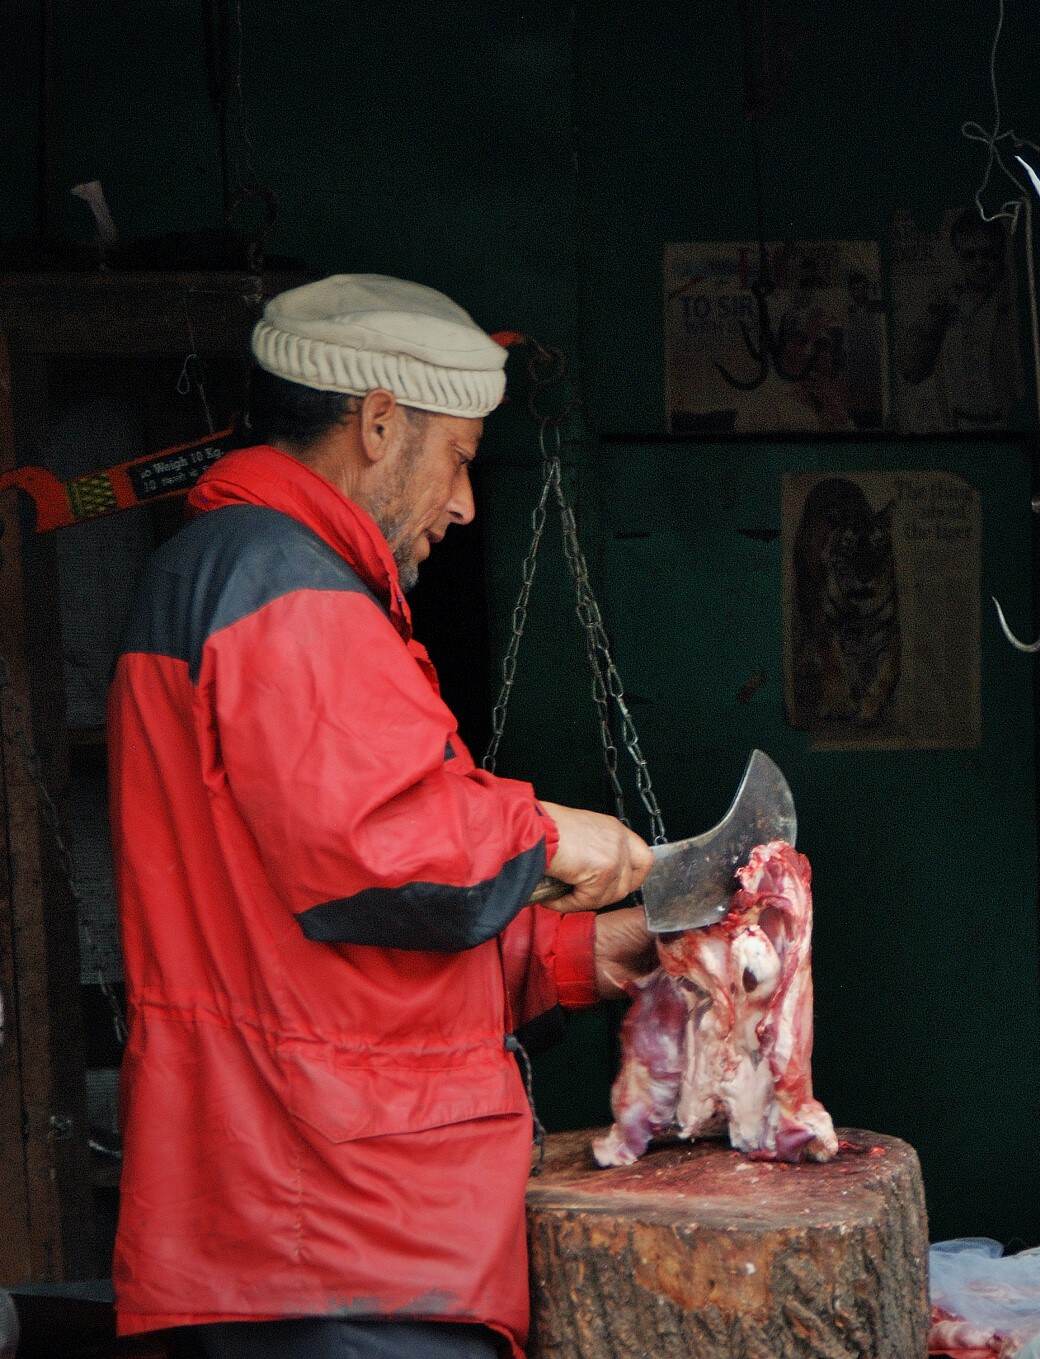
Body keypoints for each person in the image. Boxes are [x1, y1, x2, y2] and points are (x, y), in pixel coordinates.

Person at [108, 275, 657, 1359]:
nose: (462, 506)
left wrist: (581, 955)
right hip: (343, 1229)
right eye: (457, 458)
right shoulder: (286, 588)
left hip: (302, 1220)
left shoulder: (240, 576)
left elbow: (317, 947)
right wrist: (549, 831)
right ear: (375, 423)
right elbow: (386, 862)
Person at [894, 211, 1020, 431]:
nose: (980, 263)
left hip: (1005, 426)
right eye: (970, 256)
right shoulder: (948, 306)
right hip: (959, 426)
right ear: (958, 257)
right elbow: (912, 371)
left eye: (988, 254)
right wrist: (934, 316)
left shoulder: (1010, 305)